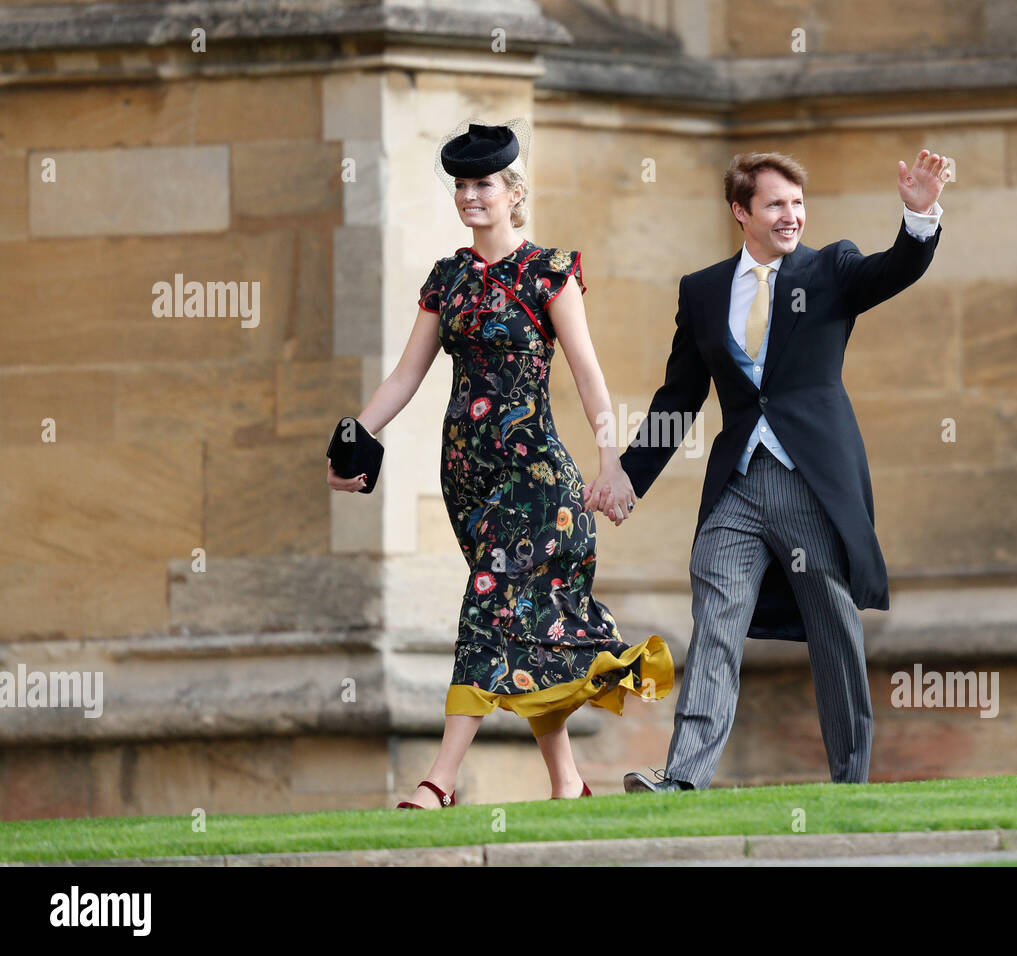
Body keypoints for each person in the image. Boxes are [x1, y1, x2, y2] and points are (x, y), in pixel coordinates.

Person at [328, 119, 672, 808]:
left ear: (514, 192)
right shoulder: (447, 279)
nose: (469, 196)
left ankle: (439, 780)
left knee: (488, 605)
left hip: (539, 479)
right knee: (522, 621)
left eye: (483, 184)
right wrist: (353, 435)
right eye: (460, 185)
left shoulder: (549, 271)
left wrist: (612, 463)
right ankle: (569, 784)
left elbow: (588, 375)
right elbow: (404, 377)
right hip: (468, 479)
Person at [603, 148, 950, 792]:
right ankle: (683, 778)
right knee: (715, 617)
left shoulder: (831, 268)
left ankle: (851, 779)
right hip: (736, 484)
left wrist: (920, 215)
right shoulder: (702, 290)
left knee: (832, 627)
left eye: (797, 203)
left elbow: (895, 269)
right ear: (742, 212)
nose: (790, 216)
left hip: (810, 483)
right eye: (775, 204)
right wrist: (630, 474)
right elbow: (679, 396)